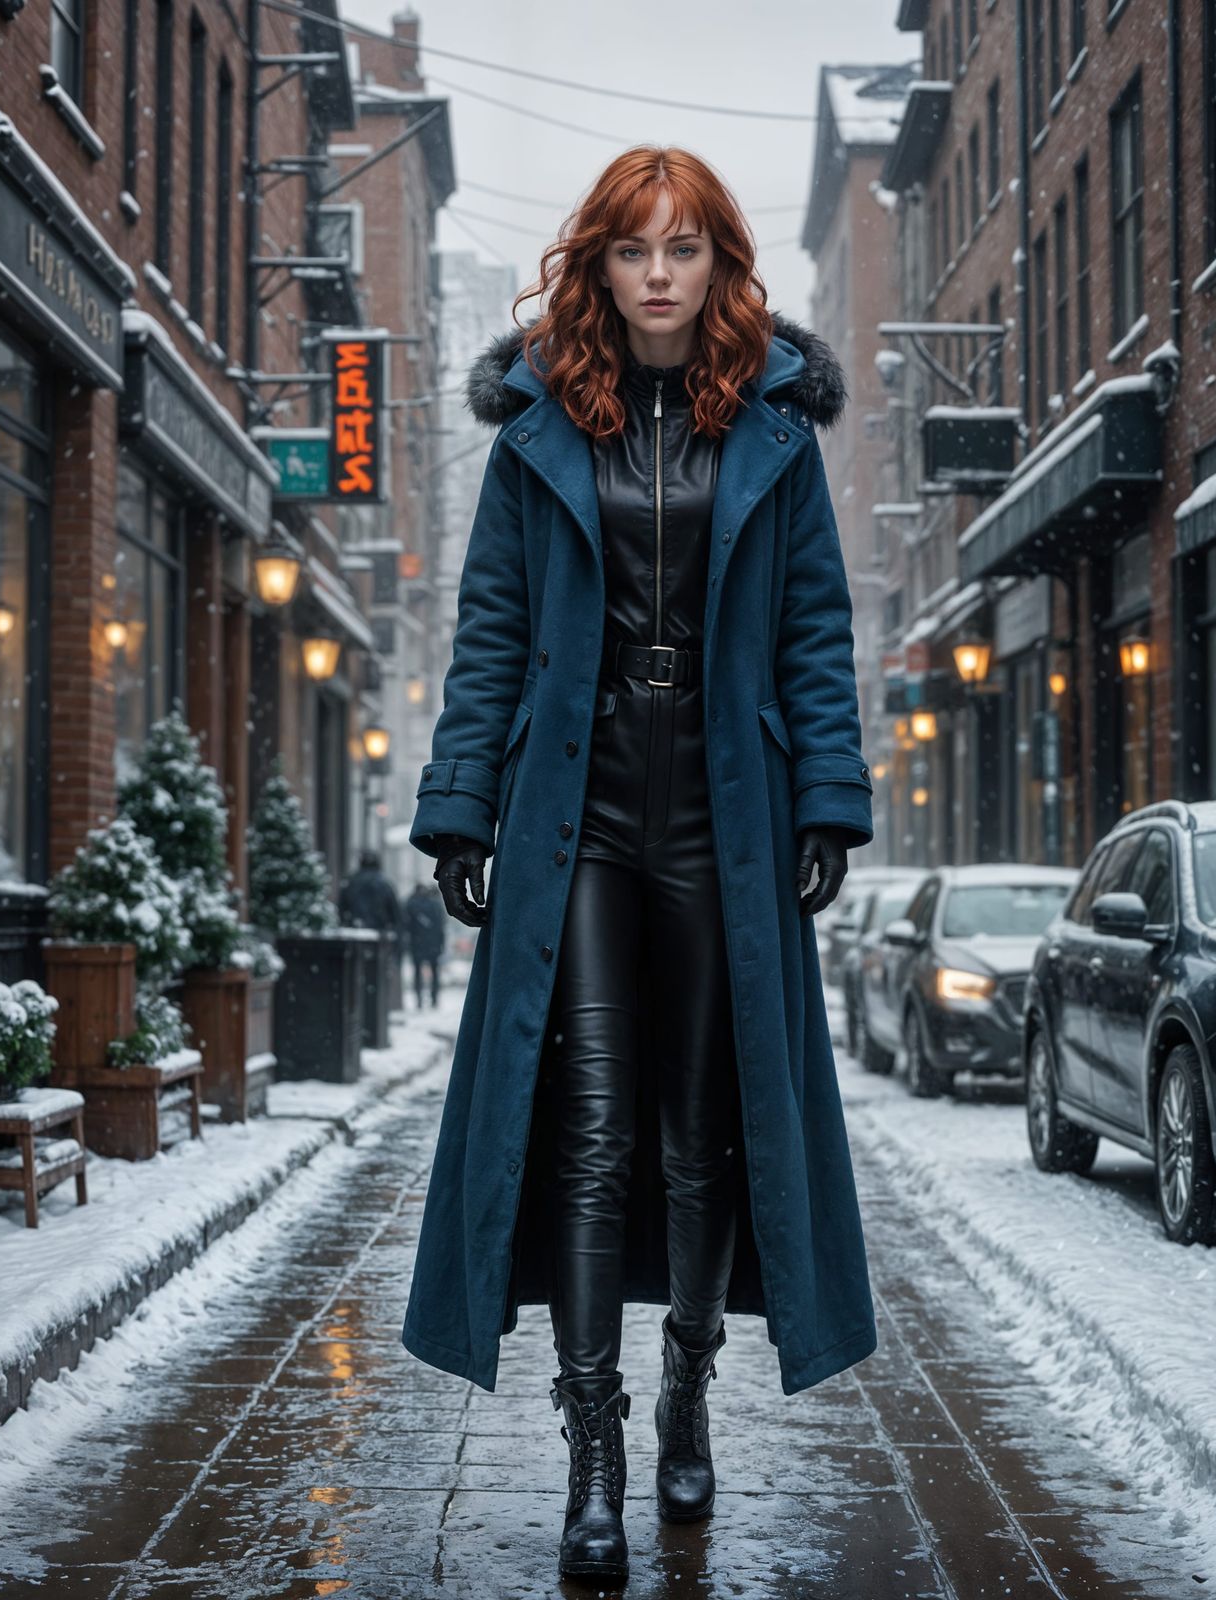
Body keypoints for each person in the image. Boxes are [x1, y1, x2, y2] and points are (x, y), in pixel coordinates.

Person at [404, 146, 875, 1584]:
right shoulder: (540, 430)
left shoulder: (775, 433)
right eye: (632, 249)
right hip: (583, 811)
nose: (658, 273)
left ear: (720, 266)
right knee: (596, 1131)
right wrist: (459, 809)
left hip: (725, 809)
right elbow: (491, 634)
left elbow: (813, 631)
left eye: (683, 249)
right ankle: (594, 1444)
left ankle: (687, 1386)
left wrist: (828, 805)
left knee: (699, 1129)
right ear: (598, 267)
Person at [401, 881, 445, 1007]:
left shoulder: (412, 904)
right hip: (433, 943)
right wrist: (441, 943)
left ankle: (419, 1000)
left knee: (417, 972)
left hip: (417, 943)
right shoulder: (436, 904)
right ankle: (434, 999)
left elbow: (406, 925)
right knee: (435, 972)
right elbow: (441, 926)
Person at [338, 848, 400, 933]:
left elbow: (341, 908)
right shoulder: (384, 884)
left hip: (355, 930)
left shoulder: (350, 882)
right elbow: (394, 911)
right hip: (379, 931)